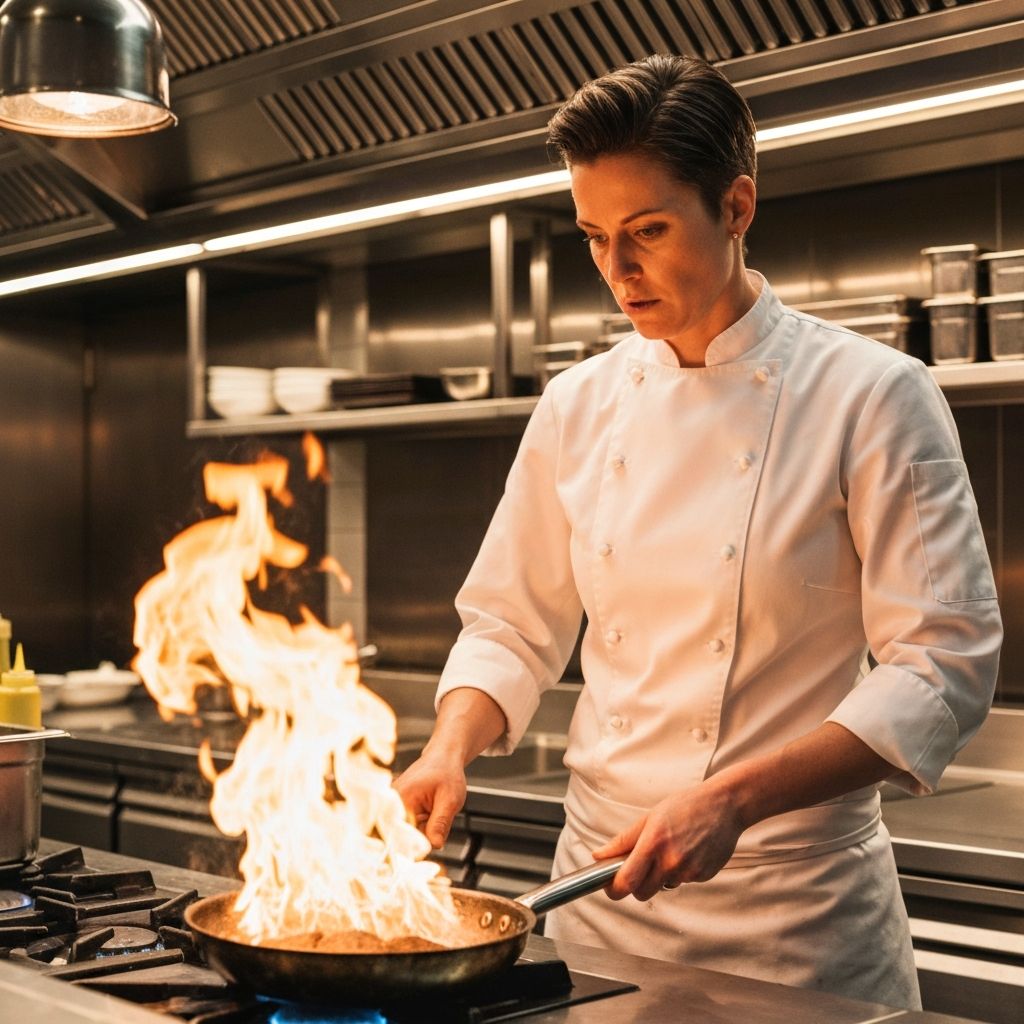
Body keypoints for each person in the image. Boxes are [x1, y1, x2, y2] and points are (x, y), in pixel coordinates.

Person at [395, 54, 1001, 1010]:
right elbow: (511, 623)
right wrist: (449, 748)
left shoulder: (873, 395)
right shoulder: (577, 404)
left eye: (648, 231)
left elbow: (942, 667)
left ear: (737, 207)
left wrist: (733, 799)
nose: (616, 272)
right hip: (598, 898)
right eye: (594, 237)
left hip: (793, 914)